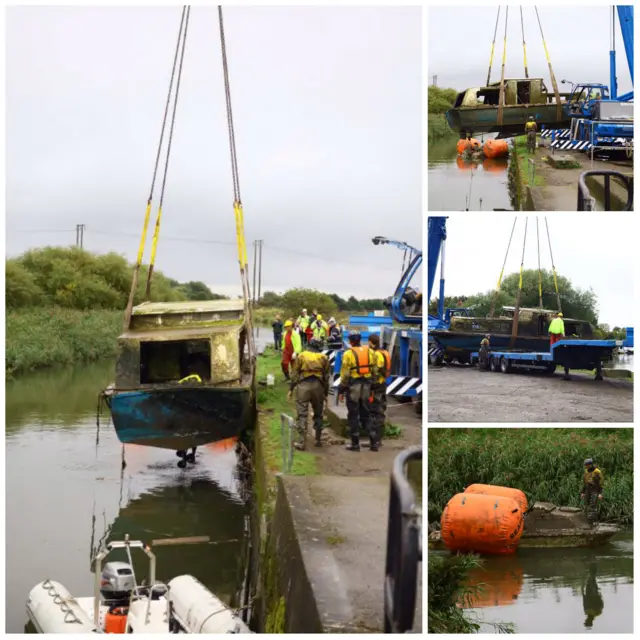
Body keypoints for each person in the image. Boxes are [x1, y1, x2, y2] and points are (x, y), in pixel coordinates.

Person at [338, 330, 378, 452]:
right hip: (366, 386)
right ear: (360, 340)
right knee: (366, 414)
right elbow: (375, 371)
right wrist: (373, 385)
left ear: (350, 341)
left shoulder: (348, 354)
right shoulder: (371, 352)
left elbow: (345, 374)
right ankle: (374, 443)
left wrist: (341, 389)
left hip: (354, 387)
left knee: (353, 415)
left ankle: (355, 444)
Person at [288, 338, 330, 450]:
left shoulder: (301, 356)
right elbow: (326, 377)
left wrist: (291, 389)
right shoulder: (324, 357)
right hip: (318, 386)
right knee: (318, 413)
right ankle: (318, 440)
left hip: (303, 386)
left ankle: (302, 442)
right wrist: (325, 393)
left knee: (302, 413)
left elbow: (294, 374)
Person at [368, 334, 390, 452]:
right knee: (381, 412)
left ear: (371, 343)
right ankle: (379, 439)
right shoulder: (384, 352)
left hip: (375, 387)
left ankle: (374, 442)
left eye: (368, 342)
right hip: (382, 385)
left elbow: (375, 371)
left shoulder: (375, 355)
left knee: (373, 413)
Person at [581, 458, 603, 526]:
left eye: (587, 465)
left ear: (590, 465)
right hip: (587, 490)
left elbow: (601, 483)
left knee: (593, 505)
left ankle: (592, 523)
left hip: (595, 490)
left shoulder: (597, 472)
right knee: (586, 505)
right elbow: (585, 483)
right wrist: (583, 492)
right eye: (585, 465)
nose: (586, 466)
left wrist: (600, 493)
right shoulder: (586, 472)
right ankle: (587, 521)